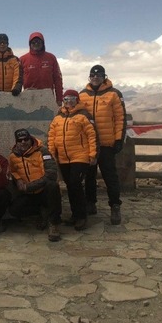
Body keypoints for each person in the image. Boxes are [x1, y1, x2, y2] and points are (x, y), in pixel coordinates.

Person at [79, 65, 126, 225]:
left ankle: (115, 206)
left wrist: (119, 139)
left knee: (110, 176)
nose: (95, 77)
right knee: (89, 176)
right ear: (89, 77)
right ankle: (90, 203)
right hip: (89, 144)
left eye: (98, 75)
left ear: (104, 77)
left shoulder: (114, 94)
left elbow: (120, 118)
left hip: (107, 143)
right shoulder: (82, 95)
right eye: (92, 75)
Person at [48, 90, 98, 231]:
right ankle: (75, 215)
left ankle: (81, 216)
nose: (69, 101)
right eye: (66, 99)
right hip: (64, 158)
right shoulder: (58, 117)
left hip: (80, 156)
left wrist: (93, 154)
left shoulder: (84, 115)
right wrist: (52, 153)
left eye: (72, 98)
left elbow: (92, 136)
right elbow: (52, 136)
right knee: (70, 186)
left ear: (77, 100)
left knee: (76, 184)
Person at [8, 129, 62, 242]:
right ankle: (42, 212)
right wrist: (18, 179)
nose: (23, 142)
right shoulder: (13, 156)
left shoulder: (43, 151)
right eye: (20, 140)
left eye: (26, 139)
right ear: (16, 142)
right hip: (29, 194)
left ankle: (54, 223)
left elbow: (51, 174)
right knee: (14, 210)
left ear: (30, 139)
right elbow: (13, 171)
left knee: (53, 186)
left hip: (43, 190)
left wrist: (29, 187)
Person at [20, 32, 63, 106]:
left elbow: (57, 79)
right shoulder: (22, 59)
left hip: (47, 96)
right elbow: (18, 80)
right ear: (30, 44)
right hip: (29, 97)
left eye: (38, 42)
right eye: (33, 42)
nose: (36, 44)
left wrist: (59, 99)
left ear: (43, 43)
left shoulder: (51, 57)